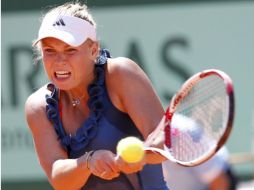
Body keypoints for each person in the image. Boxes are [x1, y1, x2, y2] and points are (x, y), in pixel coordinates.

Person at [25, 1, 168, 190]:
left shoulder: (120, 74)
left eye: (70, 50)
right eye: (50, 51)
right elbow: (59, 179)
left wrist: (142, 154)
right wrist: (88, 162)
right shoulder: (38, 106)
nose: (59, 61)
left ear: (94, 50)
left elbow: (163, 137)